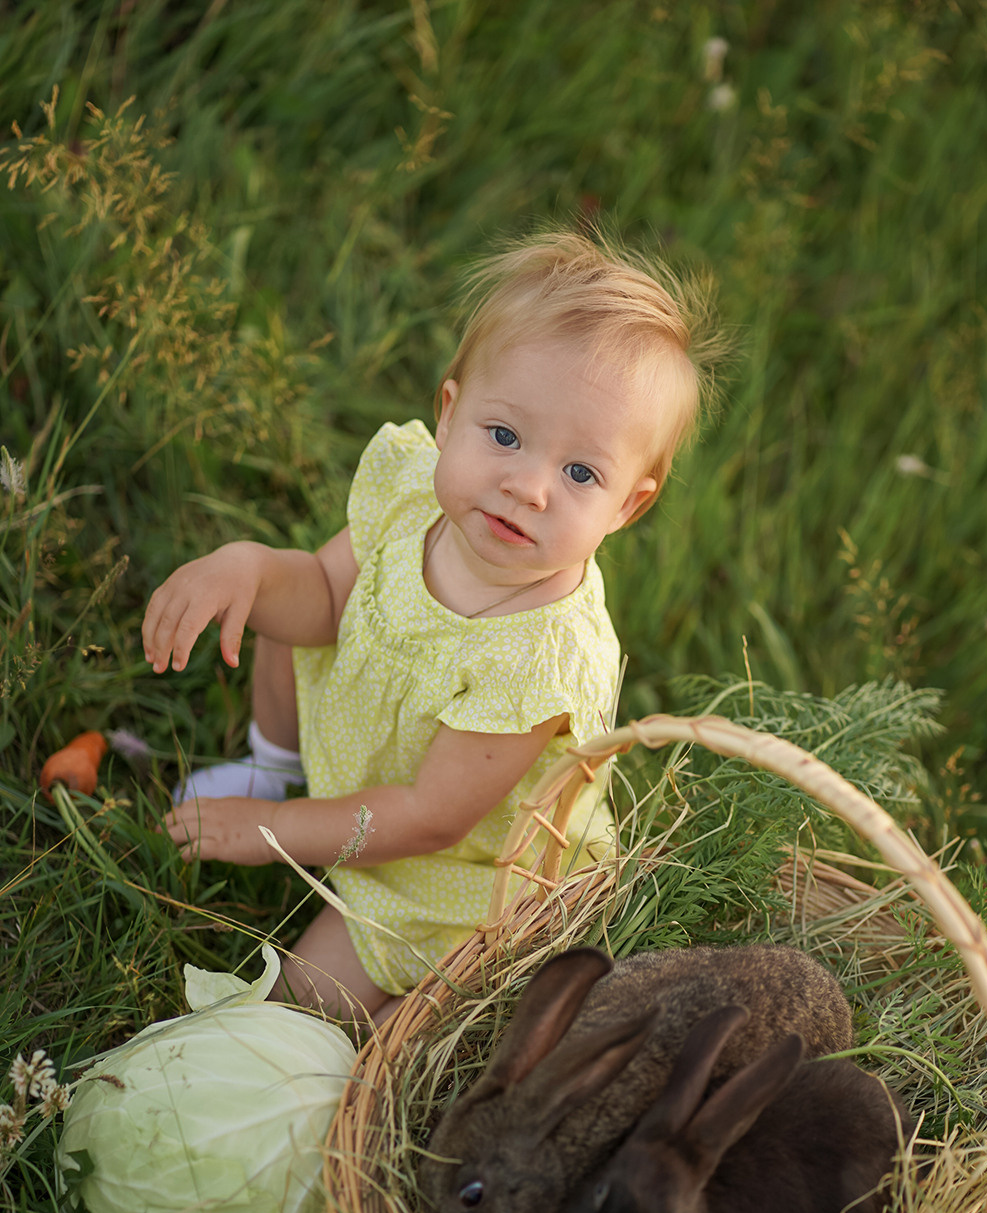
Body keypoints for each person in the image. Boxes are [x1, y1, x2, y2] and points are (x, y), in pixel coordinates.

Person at [142, 231, 720, 1027]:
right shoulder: (416, 494)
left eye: (580, 472)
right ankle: (271, 768)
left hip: (448, 871)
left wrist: (272, 835)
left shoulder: (542, 655)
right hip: (367, 756)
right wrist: (247, 565)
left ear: (628, 506)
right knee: (289, 621)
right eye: (505, 436)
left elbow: (428, 816)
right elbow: (317, 592)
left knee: (302, 1010)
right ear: (449, 418)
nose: (528, 487)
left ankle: (402, 1010)